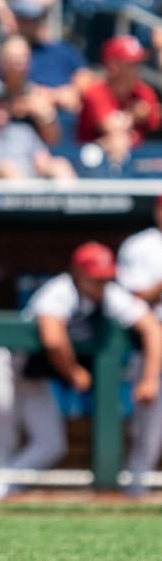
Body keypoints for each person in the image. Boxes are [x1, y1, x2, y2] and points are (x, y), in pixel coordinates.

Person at [0, 242, 162, 499]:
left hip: (32, 374)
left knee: (51, 444)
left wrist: (149, 379)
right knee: (5, 440)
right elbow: (53, 339)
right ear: (77, 273)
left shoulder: (111, 294)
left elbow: (152, 328)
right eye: (94, 278)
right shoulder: (59, 290)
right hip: (0, 362)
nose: (100, 284)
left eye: (105, 278)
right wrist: (74, 373)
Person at [117, 201, 162, 491]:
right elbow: (132, 300)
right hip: (151, 345)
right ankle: (133, 496)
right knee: (149, 434)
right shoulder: (140, 245)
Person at [77, 34, 160, 146]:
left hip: (138, 159)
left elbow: (155, 120)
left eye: (138, 63)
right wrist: (132, 116)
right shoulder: (96, 92)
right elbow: (110, 128)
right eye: (131, 64)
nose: (137, 69)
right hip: (93, 159)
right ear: (113, 66)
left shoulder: (143, 91)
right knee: (117, 141)